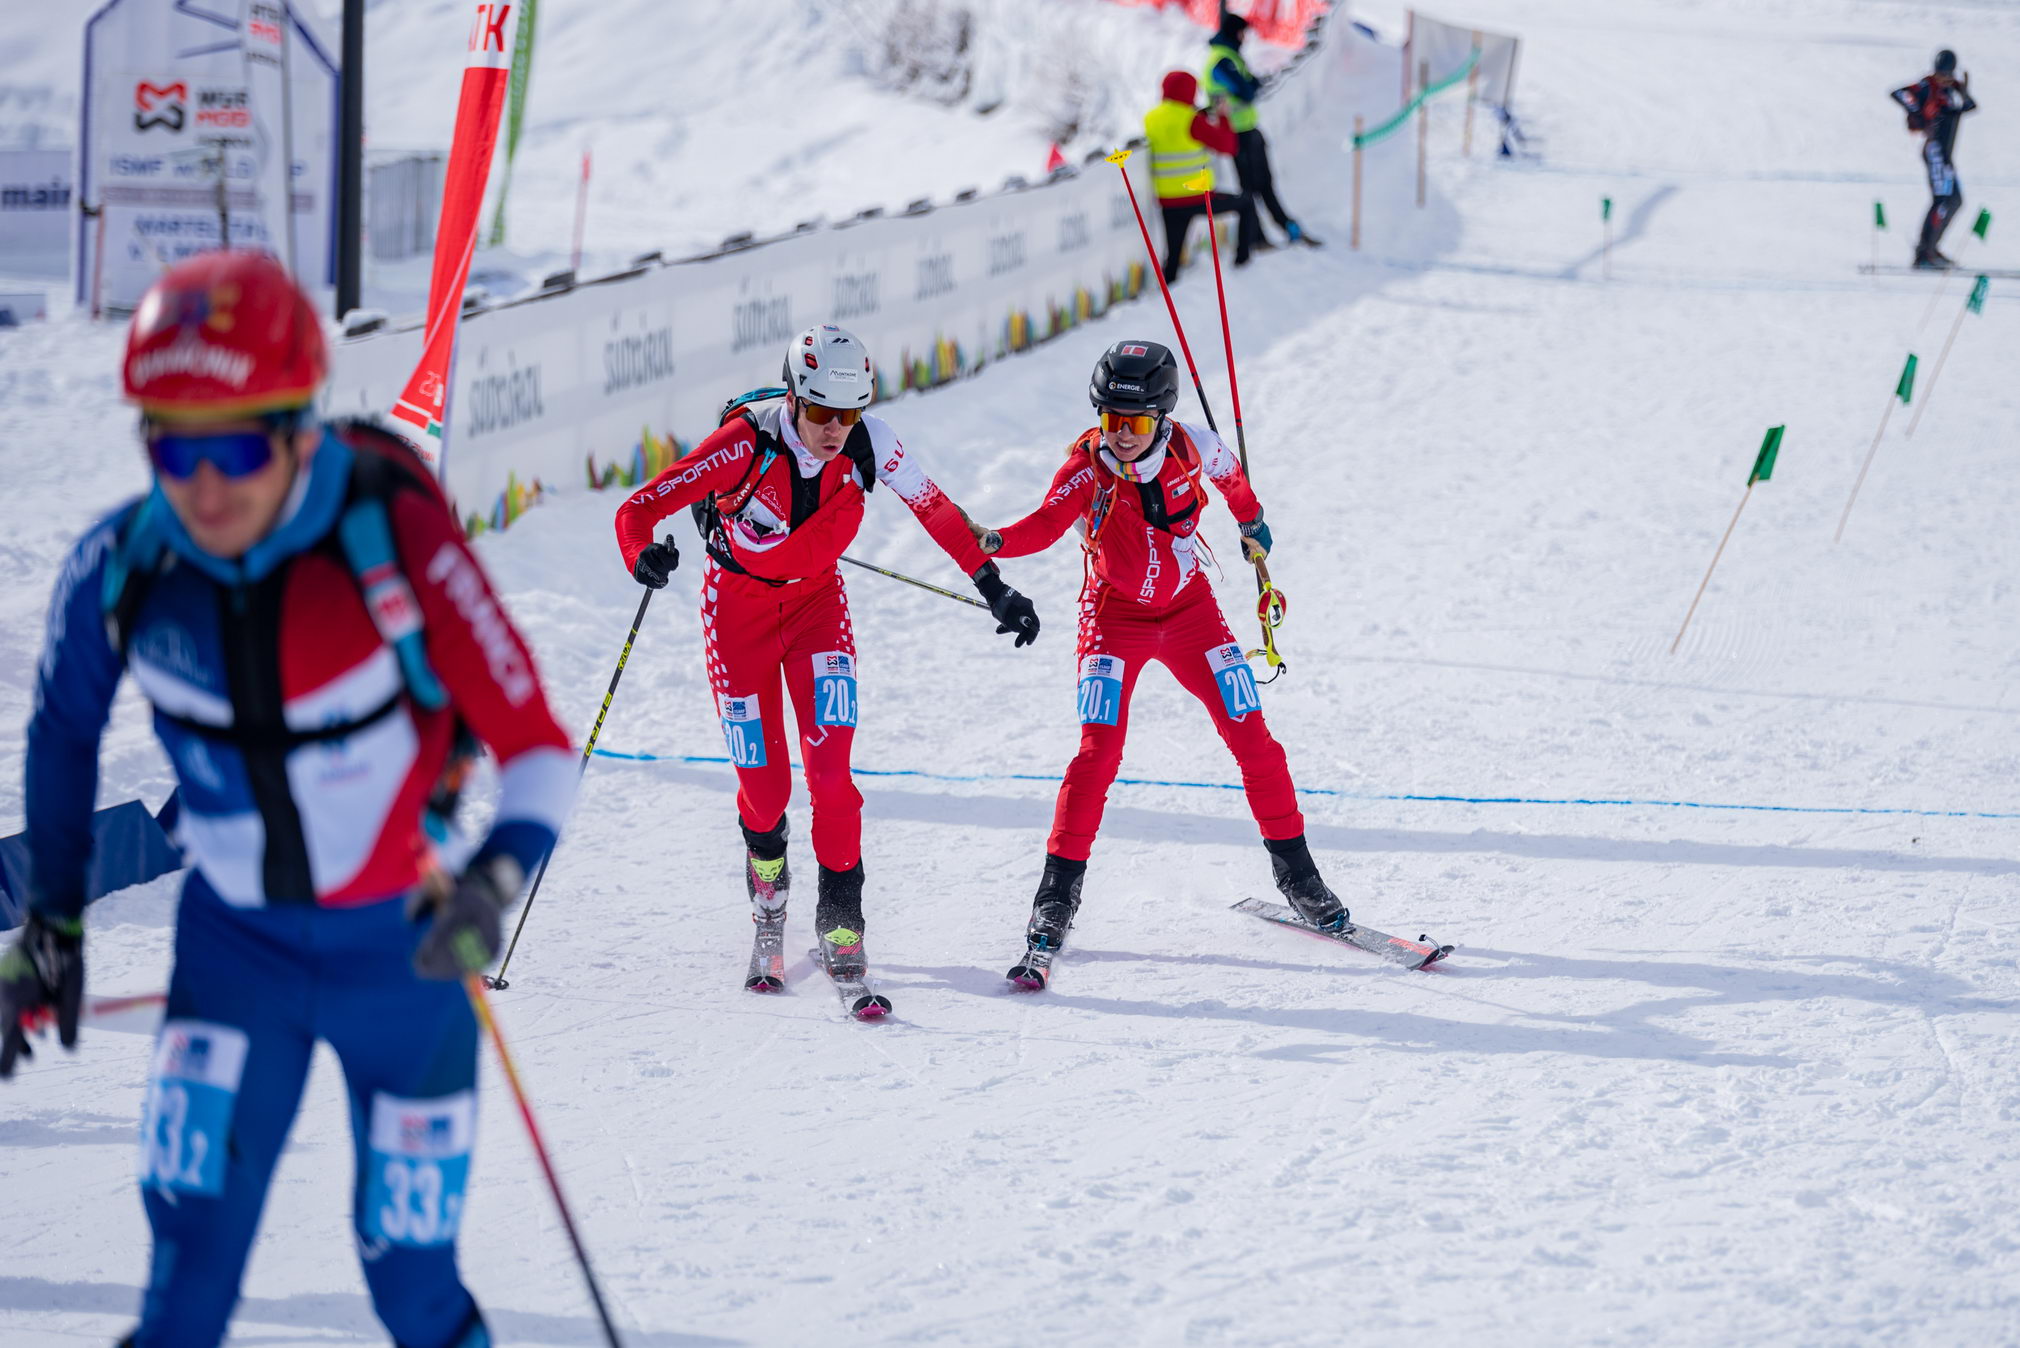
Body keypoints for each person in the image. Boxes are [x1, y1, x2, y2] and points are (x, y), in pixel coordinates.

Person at [0, 250, 574, 1346]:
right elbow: (62, 736)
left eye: (234, 446)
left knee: (412, 1286)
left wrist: (493, 880)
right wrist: (54, 924)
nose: (204, 485)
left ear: (299, 429)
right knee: (186, 1287)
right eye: (172, 446)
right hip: (233, 966)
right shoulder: (118, 568)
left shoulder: (391, 535)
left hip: (401, 964)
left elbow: (540, 748)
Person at [612, 324, 1040, 991]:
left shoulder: (872, 443)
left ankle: (842, 921)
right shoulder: (743, 445)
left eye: (849, 412)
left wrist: (994, 587)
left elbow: (937, 512)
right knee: (765, 792)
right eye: (819, 412)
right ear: (793, 398)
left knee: (832, 777)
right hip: (737, 618)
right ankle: (769, 900)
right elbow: (638, 508)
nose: (835, 428)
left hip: (817, 613)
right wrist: (643, 556)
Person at [966, 340, 1346, 979]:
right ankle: (1056, 898)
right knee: (1097, 754)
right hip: (1112, 620)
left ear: (1163, 418)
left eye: (1136, 424)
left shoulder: (1194, 445)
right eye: (1111, 421)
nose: (1122, 436)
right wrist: (999, 540)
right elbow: (1045, 524)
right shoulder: (1087, 470)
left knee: (1254, 739)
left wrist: (1252, 522)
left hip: (1192, 614)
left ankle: (1299, 877)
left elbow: (1233, 482)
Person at [1203, 12, 1309, 248]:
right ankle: (1256, 237)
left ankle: (1286, 227)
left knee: (1265, 183)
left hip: (1249, 129)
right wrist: (1250, 85)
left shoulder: (1230, 57)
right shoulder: (1222, 60)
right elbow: (1247, 90)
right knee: (1249, 188)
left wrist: (1251, 85)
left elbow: (1251, 85)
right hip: (1237, 133)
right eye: (1243, 33)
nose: (1245, 38)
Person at [1145, 69, 1261, 283]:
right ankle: (1242, 262)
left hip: (1167, 200)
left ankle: (1166, 296)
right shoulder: (1191, 120)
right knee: (1246, 203)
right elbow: (1228, 146)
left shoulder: (1151, 118)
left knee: (1172, 257)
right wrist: (1224, 116)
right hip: (1198, 198)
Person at [1891, 49, 1977, 269]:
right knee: (1942, 200)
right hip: (1935, 152)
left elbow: (1969, 107)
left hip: (1946, 156)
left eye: (1947, 73)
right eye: (1940, 72)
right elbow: (1899, 93)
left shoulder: (1952, 90)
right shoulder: (1927, 86)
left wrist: (1964, 92)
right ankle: (1923, 254)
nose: (1944, 77)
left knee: (1955, 200)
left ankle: (1933, 248)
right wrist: (1918, 113)